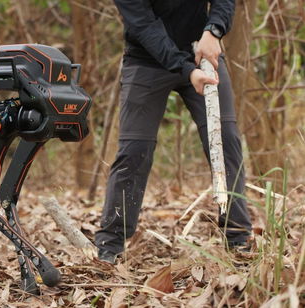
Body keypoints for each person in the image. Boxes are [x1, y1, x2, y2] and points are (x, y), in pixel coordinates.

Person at [95, 0, 252, 264]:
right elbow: (144, 27)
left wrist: (213, 31)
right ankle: (110, 245)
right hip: (146, 59)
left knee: (225, 140)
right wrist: (187, 70)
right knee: (134, 151)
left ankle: (237, 238)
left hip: (202, 53)